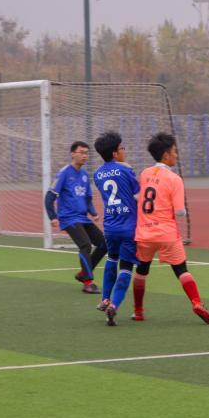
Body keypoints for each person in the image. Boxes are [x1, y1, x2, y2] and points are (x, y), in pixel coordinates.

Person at [132, 132, 209, 324]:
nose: (176, 155)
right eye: (174, 151)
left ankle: (138, 311)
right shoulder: (174, 178)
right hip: (166, 233)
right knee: (181, 270)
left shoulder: (144, 173)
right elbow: (180, 212)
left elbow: (138, 198)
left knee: (141, 270)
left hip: (144, 232)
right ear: (166, 155)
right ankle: (196, 303)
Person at [45, 141, 106, 294]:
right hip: (69, 218)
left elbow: (87, 198)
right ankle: (88, 283)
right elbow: (49, 196)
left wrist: (93, 213)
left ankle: (83, 273)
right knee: (85, 245)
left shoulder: (84, 175)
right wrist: (53, 216)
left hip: (83, 218)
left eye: (86, 153)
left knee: (104, 244)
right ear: (73, 154)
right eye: (81, 152)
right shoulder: (64, 173)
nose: (84, 156)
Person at [92, 131, 140, 326]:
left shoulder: (97, 174)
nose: (124, 151)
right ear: (114, 153)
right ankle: (114, 305)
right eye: (122, 148)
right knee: (126, 267)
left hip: (110, 227)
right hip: (129, 227)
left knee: (112, 258)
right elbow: (138, 195)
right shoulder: (126, 170)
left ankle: (105, 298)